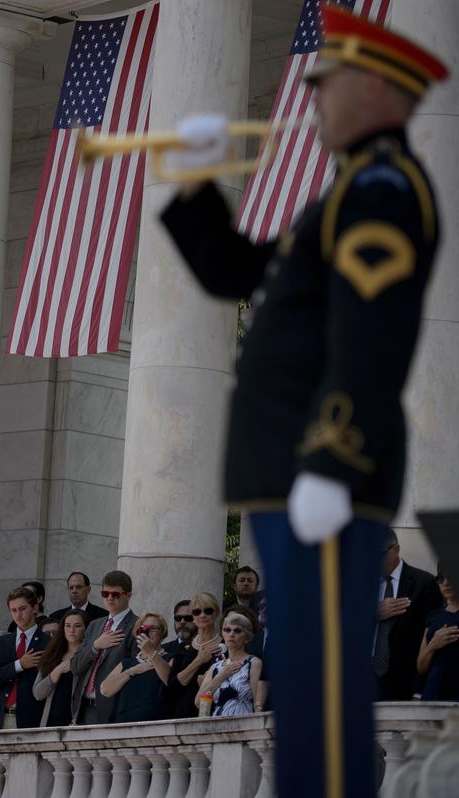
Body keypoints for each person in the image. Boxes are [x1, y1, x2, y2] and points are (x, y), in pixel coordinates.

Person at [160, 6, 447, 797]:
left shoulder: (384, 189)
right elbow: (235, 274)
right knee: (308, 690)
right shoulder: (343, 195)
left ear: (380, 92)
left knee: (324, 690)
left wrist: (333, 456)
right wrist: (194, 186)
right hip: (285, 473)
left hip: (318, 471)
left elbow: (372, 333)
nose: (314, 99)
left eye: (330, 85)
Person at [374, 529, 444, 699]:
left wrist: (420, 688)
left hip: (404, 683)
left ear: (396, 549)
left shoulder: (424, 583)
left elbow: (430, 635)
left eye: (381, 553)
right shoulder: (362, 582)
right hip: (364, 678)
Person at [70, 570, 137, 724]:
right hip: (84, 708)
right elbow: (75, 666)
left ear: (128, 595)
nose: (110, 598)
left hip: (115, 709)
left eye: (116, 594)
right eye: (105, 593)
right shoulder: (95, 625)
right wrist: (95, 646)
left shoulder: (135, 625)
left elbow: (134, 670)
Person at [0, 587, 50, 729]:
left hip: (32, 720)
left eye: (22, 609)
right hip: (0, 718)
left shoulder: (48, 643)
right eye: (13, 610)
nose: (18, 615)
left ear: (34, 608)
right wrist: (19, 664)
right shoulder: (1, 642)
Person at [99, 614, 172, 723]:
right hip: (123, 724)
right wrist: (133, 671)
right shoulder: (127, 663)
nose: (149, 632)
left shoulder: (170, 658)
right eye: (144, 629)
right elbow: (105, 690)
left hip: (157, 724)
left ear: (162, 633)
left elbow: (171, 682)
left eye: (154, 628)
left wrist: (151, 653)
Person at [200, 613, 265, 717]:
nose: (231, 634)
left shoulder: (253, 663)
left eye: (237, 631)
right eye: (227, 630)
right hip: (215, 725)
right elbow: (198, 703)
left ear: (247, 638)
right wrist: (221, 677)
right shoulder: (215, 667)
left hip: (243, 723)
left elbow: (258, 702)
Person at [168, 592, 221, 718]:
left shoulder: (225, 646)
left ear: (216, 613)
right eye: (197, 612)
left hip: (214, 713)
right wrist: (198, 661)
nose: (202, 615)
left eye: (208, 611)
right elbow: (173, 687)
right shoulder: (183, 647)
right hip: (183, 713)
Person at [33, 609, 87, 727]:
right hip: (50, 723)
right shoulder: (52, 655)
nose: (71, 630)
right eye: (68, 626)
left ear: (86, 629)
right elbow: (38, 693)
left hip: (77, 723)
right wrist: (57, 671)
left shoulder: (89, 656)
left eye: (77, 626)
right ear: (62, 629)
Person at [417, 568, 459, 701]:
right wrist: (433, 645)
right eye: (440, 578)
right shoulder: (433, 616)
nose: (446, 583)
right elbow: (421, 667)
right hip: (432, 696)